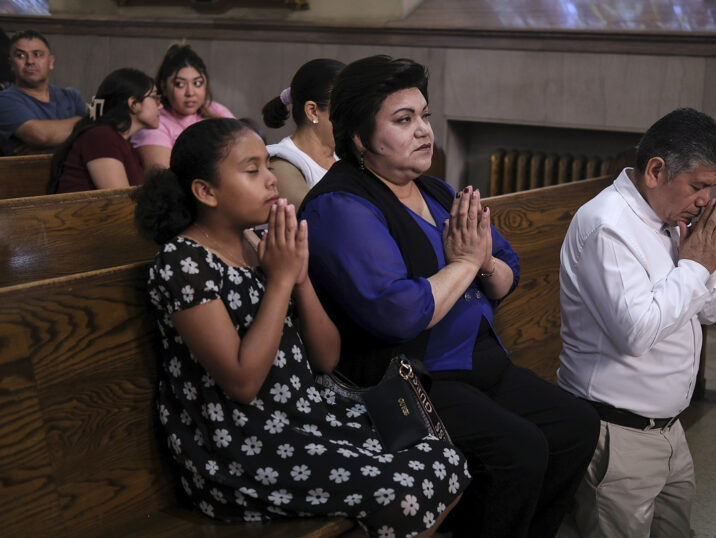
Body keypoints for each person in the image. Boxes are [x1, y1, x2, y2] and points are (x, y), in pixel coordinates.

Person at [299, 55, 599, 538]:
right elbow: (397, 313)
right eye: (403, 120)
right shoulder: (341, 205)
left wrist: (481, 263)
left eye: (424, 116)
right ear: (357, 138)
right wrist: (464, 264)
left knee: (576, 426)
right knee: (519, 450)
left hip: (479, 366)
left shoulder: (435, 190)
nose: (423, 131)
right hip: (410, 384)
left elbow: (507, 269)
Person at [133, 117, 467, 536]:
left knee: (441, 458)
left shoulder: (259, 243)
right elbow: (242, 383)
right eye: (252, 170)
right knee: (407, 487)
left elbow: (326, 359)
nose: (271, 180)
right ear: (206, 191)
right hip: (240, 446)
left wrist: (301, 278)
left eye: (267, 167)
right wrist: (279, 282)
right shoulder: (183, 263)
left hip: (304, 416)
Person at [557, 107, 716, 537]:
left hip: (671, 431)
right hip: (618, 435)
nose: (704, 201)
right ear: (655, 170)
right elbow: (636, 333)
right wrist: (695, 268)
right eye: (698, 186)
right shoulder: (608, 227)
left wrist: (702, 265)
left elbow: (712, 308)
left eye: (711, 189)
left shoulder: (672, 219)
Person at [49, 68, 160, 193]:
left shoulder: (125, 142)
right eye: (155, 98)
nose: (160, 106)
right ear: (133, 103)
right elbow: (120, 200)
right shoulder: (101, 137)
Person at [131, 42, 234, 171]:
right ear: (163, 86)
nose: (190, 93)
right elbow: (164, 180)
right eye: (180, 84)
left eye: (197, 83)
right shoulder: (154, 123)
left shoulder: (215, 110)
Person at [263, 58, 344, 207]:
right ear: (312, 111)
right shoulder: (281, 160)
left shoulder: (344, 157)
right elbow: (319, 214)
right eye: (345, 109)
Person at [0, 29, 86, 155]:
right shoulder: (4, 100)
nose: (30, 61)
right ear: (11, 64)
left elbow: (93, 136)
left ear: (51, 62)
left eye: (37, 54)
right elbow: (40, 136)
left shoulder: (72, 96)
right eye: (21, 55)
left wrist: (49, 149)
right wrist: (83, 122)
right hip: (27, 174)